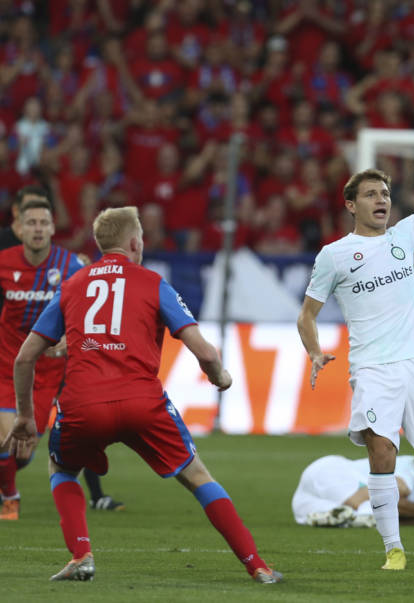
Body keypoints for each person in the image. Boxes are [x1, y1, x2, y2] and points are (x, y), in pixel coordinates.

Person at [3, 207, 282, 583]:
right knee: (197, 475)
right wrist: (221, 377)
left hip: (83, 403)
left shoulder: (72, 285)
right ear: (135, 243)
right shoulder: (153, 282)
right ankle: (257, 566)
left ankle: (81, 555)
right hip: (142, 403)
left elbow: (25, 358)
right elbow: (204, 352)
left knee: (62, 469)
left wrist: (24, 416)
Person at [297, 94, 414, 571]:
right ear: (350, 205)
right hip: (373, 368)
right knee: (382, 453)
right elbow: (307, 315)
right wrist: (315, 352)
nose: (381, 199)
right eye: (370, 194)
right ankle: (393, 550)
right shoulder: (334, 256)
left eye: (384, 193)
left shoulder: (404, 235)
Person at [0, 186, 123, 521]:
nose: (38, 228)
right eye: (32, 223)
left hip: (48, 374)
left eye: (44, 222)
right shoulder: (4, 263)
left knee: (22, 454)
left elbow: (86, 314)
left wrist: (68, 339)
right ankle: (10, 498)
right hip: (8, 366)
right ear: (20, 229)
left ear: (53, 228)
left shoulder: (70, 267)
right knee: (4, 436)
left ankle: (8, 482)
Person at [292, 454, 414, 528]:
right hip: (328, 471)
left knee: (356, 515)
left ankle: (335, 516)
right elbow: (385, 497)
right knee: (364, 503)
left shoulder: (409, 508)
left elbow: (380, 506)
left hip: (305, 503)